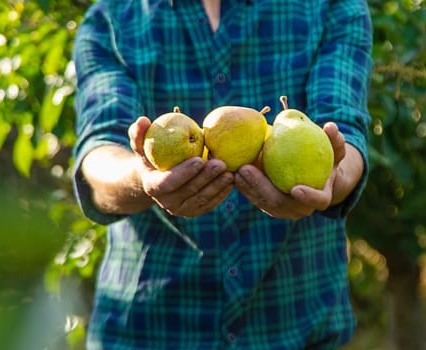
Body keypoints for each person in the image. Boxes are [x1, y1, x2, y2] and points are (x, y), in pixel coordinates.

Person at [72, 0, 373, 348]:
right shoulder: (110, 19)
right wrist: (141, 177)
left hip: (295, 326)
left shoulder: (332, 6)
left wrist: (332, 176)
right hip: (151, 330)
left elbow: (346, 136)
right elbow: (98, 153)